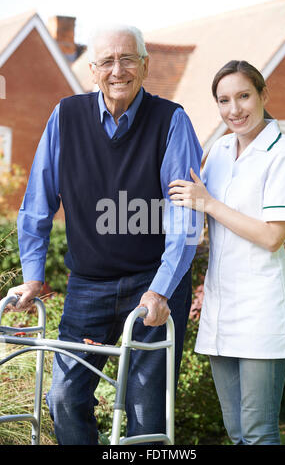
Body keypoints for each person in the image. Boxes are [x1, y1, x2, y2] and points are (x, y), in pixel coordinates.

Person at [7, 24, 203, 444]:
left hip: (153, 282)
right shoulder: (66, 115)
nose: (119, 70)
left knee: (145, 410)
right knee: (64, 396)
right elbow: (38, 201)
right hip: (88, 285)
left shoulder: (172, 121)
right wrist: (32, 274)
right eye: (108, 61)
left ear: (145, 65)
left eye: (128, 58)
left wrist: (161, 290)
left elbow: (185, 220)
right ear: (93, 70)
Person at [168, 60, 285, 445]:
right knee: (237, 431)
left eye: (243, 96)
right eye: (224, 100)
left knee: (258, 433)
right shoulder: (221, 149)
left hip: (262, 309)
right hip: (221, 307)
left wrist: (208, 203)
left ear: (263, 95)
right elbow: (191, 201)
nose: (234, 109)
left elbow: (272, 236)